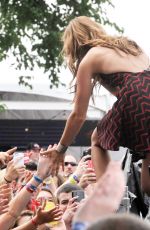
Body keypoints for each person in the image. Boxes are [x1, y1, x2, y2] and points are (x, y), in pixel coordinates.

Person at [41, 16, 150, 195]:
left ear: (74, 46)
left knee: (97, 139)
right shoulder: (128, 45)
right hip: (143, 91)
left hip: (138, 98)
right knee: (147, 185)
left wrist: (61, 149)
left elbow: (78, 115)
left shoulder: (90, 59)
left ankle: (111, 197)